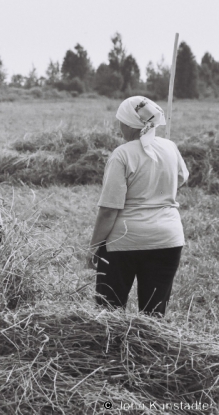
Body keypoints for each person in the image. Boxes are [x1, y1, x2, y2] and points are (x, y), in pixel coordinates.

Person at [87, 96, 189, 316]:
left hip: (124, 242)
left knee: (109, 313)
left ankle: (112, 350)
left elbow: (109, 210)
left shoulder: (122, 154)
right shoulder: (170, 147)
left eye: (120, 122)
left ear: (127, 123)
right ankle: (150, 351)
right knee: (154, 315)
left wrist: (93, 246)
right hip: (168, 240)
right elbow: (181, 177)